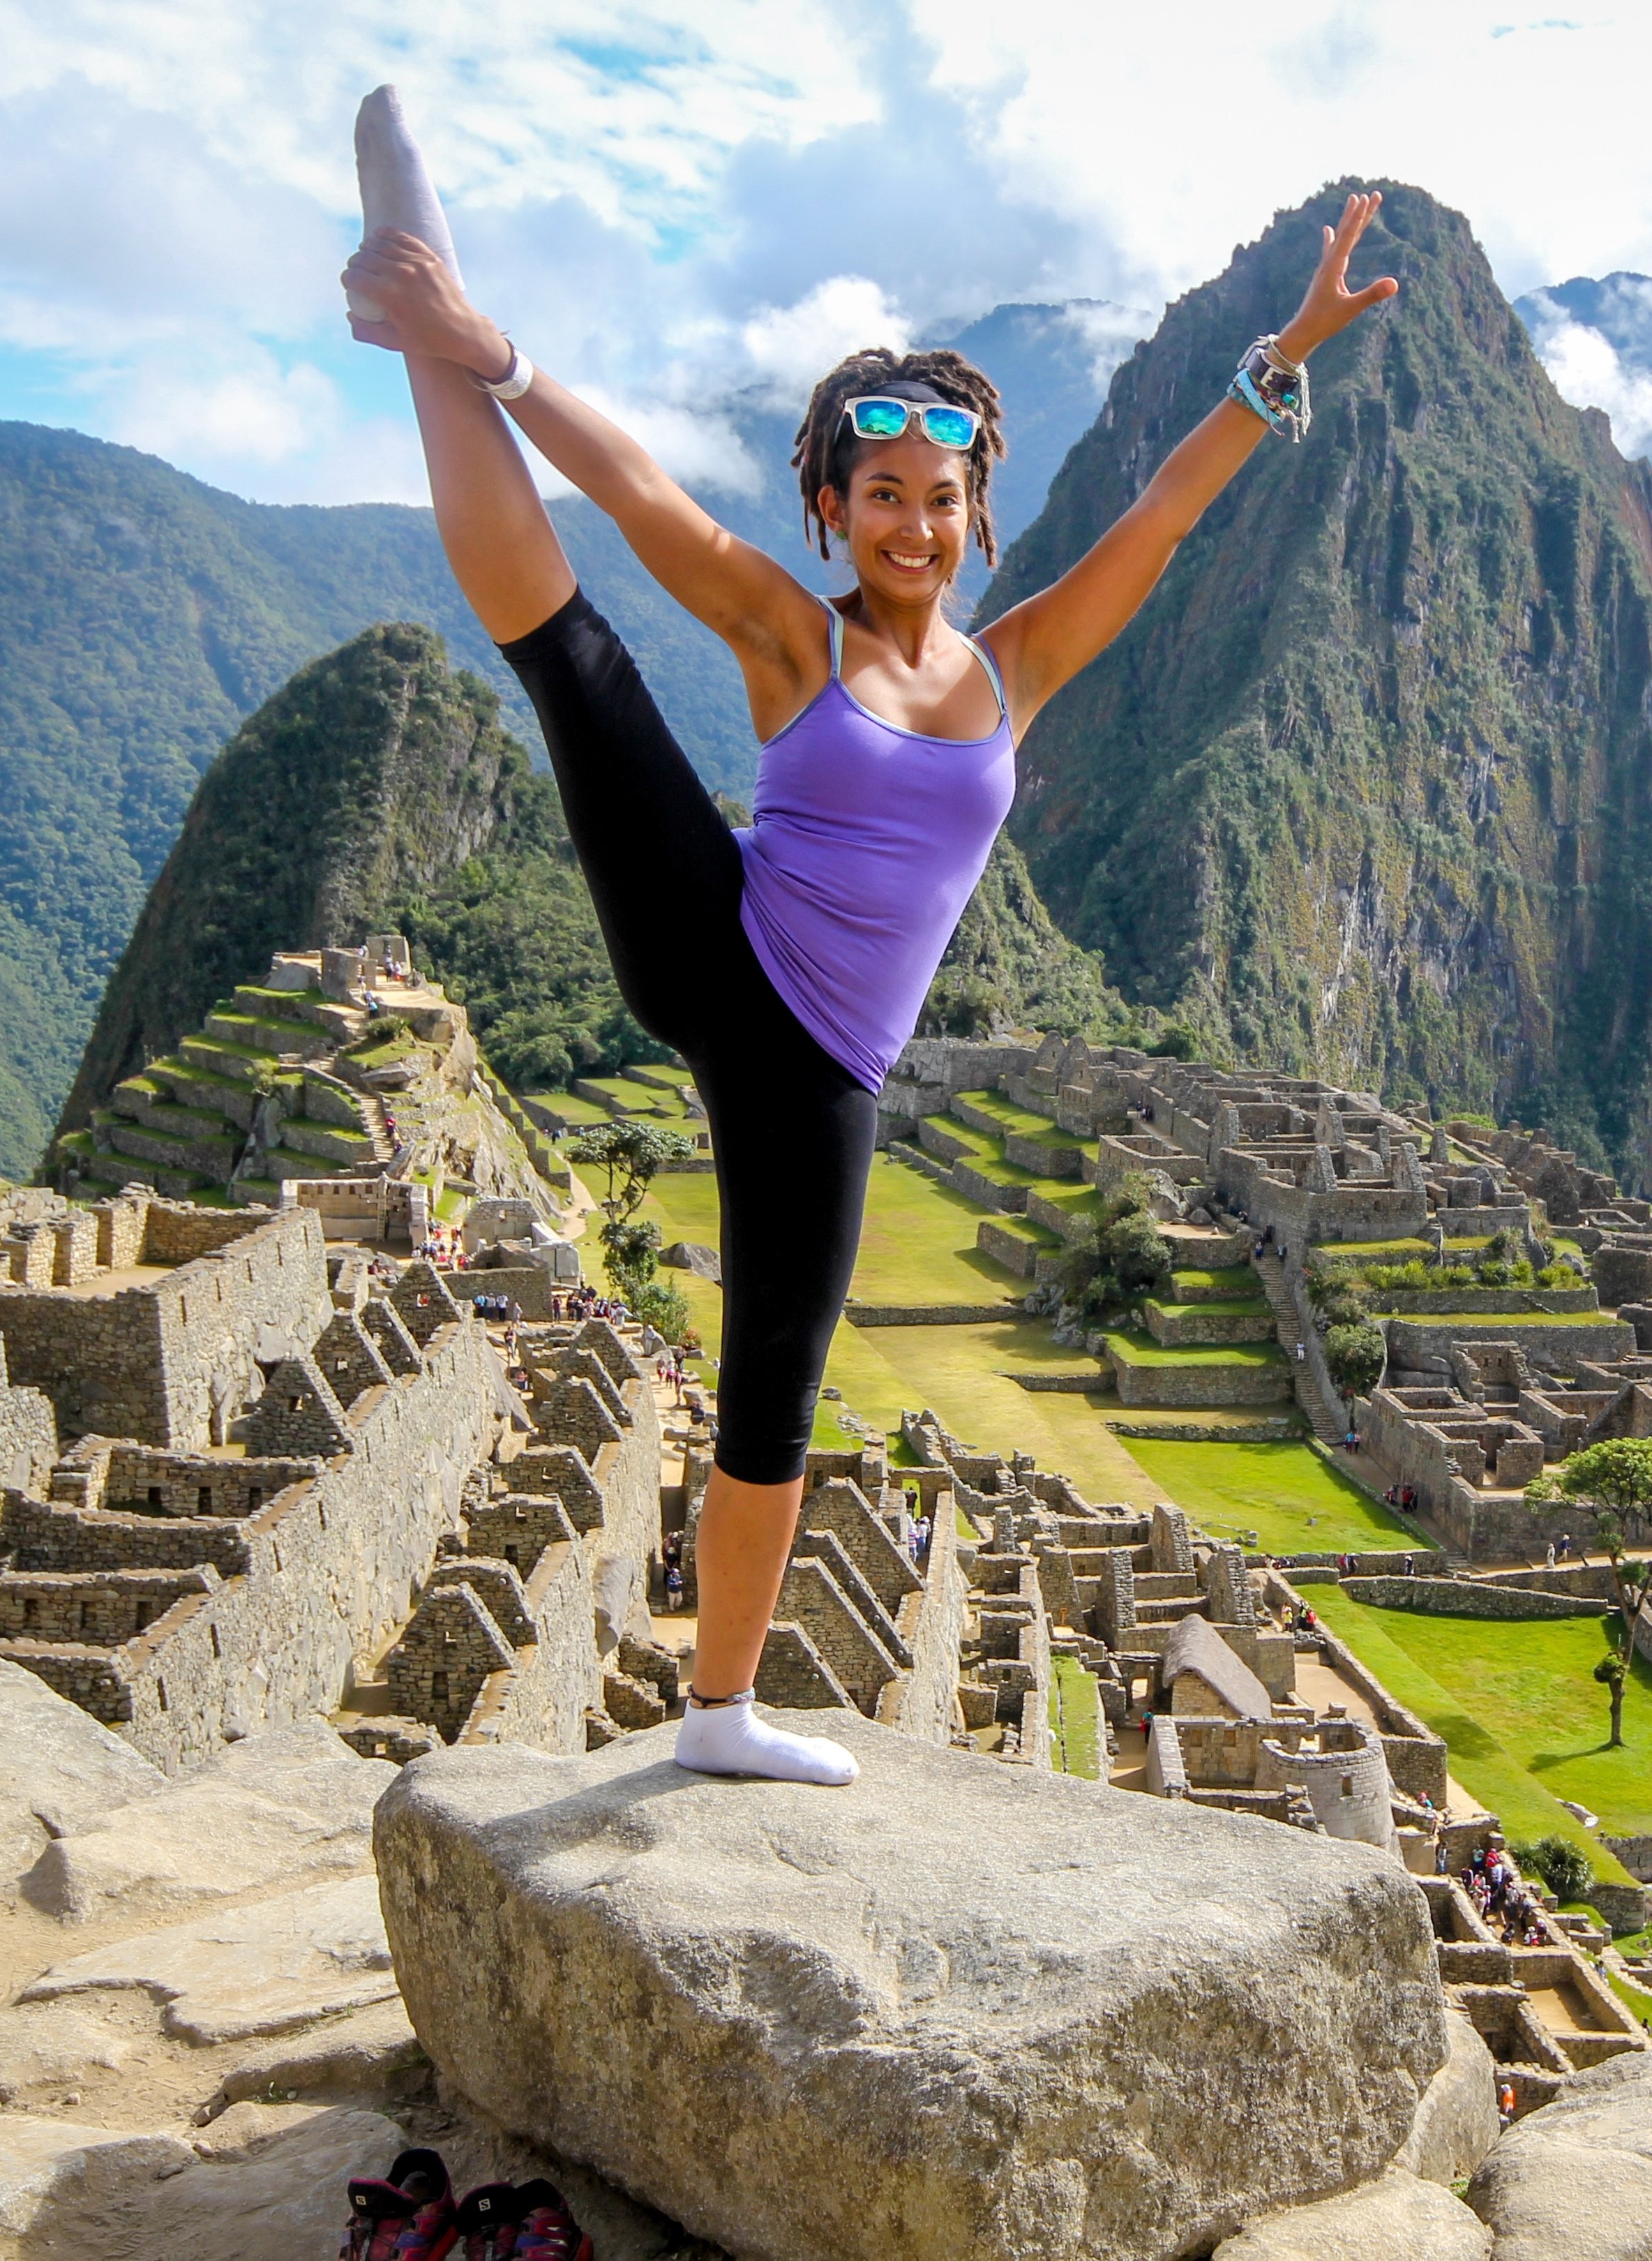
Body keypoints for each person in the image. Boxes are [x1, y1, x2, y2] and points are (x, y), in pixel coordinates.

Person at [343, 91, 1396, 1789]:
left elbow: (1170, 520)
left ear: (980, 516)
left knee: (778, 1375)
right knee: (570, 653)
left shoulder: (1022, 665)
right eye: (880, 493)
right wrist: (486, 351)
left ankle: (719, 1715)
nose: (912, 525)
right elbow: (637, 500)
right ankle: (418, 305)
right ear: (832, 510)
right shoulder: (791, 634)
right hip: (717, 941)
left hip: (826, 1069)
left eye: (942, 496)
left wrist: (1281, 356)